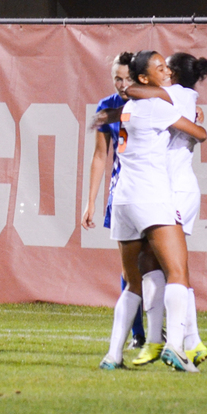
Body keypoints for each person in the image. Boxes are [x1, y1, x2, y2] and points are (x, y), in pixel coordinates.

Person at [99, 51, 205, 372]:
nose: (167, 73)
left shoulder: (129, 109)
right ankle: (176, 345)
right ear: (145, 78)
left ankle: (113, 355)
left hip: (122, 200)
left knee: (133, 281)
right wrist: (196, 123)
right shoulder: (159, 105)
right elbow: (199, 135)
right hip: (151, 196)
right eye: (160, 69)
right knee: (178, 272)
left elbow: (125, 98)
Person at [81, 52, 146, 349]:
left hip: (154, 193)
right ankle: (138, 335)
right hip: (121, 195)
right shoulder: (107, 107)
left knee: (157, 268)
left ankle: (161, 332)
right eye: (117, 79)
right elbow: (99, 156)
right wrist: (90, 201)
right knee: (130, 269)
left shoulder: (151, 103)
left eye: (127, 78)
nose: (122, 84)